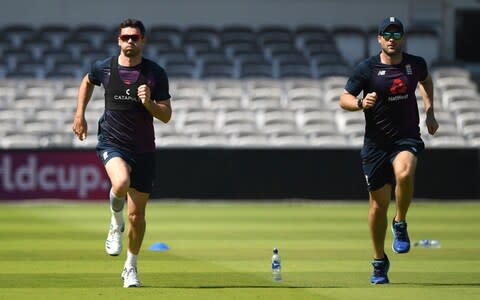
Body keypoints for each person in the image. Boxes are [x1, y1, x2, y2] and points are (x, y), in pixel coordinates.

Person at [72, 18, 172, 288]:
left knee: (137, 217)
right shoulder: (105, 67)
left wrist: (149, 103)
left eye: (135, 37)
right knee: (120, 183)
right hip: (113, 142)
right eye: (126, 37)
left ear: (143, 41)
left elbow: (166, 116)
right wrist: (80, 114)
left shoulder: (155, 73)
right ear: (118, 40)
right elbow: (87, 81)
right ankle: (115, 224)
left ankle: (130, 267)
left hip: (144, 150)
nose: (130, 41)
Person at [339, 17, 439, 284]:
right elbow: (344, 99)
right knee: (377, 205)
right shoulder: (367, 69)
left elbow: (426, 82)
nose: (392, 38)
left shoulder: (415, 64)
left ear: (402, 37)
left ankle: (401, 222)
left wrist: (429, 111)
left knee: (404, 174)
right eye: (387, 34)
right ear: (379, 39)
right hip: (375, 145)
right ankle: (379, 261)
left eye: (397, 33)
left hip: (406, 138)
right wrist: (361, 103)